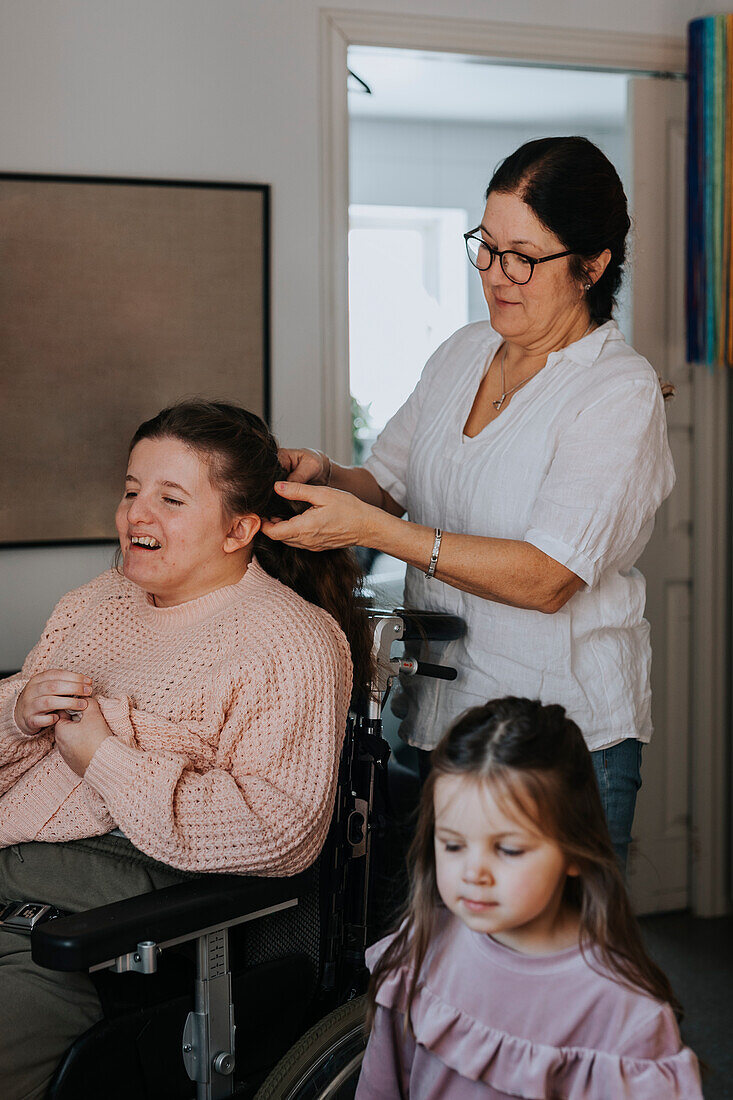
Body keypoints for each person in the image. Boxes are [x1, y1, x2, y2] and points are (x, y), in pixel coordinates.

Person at [265, 136, 675, 867]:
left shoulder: (616, 391)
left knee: (541, 966)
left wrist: (380, 531)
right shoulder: (461, 351)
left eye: (522, 256)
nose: (495, 276)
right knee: (444, 957)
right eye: (484, 248)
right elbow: (385, 482)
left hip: (556, 738)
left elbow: (549, 578)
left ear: (592, 264)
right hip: (439, 719)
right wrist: (325, 472)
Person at [0, 399, 370, 1100]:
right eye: (132, 490)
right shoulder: (94, 603)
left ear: (239, 528)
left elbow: (279, 832)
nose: (138, 514)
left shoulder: (291, 642)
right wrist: (18, 714)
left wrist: (104, 757)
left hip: (91, 941)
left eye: (171, 499)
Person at [355, 697, 703, 1099]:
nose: (473, 873)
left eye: (509, 850)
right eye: (452, 845)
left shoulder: (627, 1014)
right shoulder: (421, 943)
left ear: (574, 849)